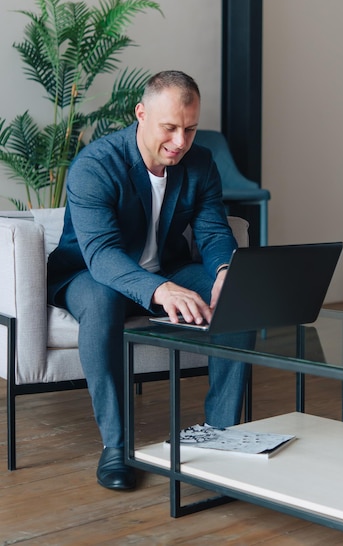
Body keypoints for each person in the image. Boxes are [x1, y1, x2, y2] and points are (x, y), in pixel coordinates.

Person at [47, 70, 254, 491]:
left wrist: (224, 272)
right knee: (103, 301)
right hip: (90, 274)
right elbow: (102, 254)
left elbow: (213, 232)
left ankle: (220, 437)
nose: (181, 142)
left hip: (167, 269)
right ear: (141, 114)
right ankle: (116, 448)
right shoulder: (95, 165)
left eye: (190, 129)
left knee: (239, 299)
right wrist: (159, 289)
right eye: (170, 128)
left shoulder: (199, 164)